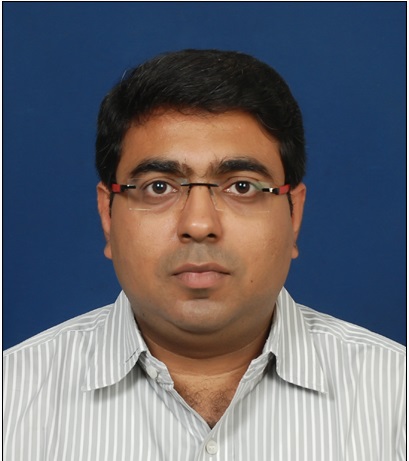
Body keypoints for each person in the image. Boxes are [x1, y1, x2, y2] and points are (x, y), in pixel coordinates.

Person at [3, 49, 405, 461]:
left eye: (242, 186)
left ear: (294, 214)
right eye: (159, 187)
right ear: (108, 214)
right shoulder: (13, 398)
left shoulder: (395, 397)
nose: (198, 224)